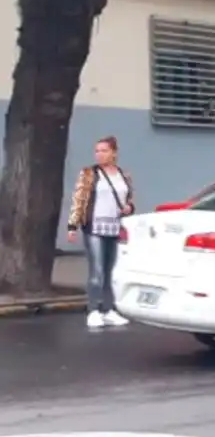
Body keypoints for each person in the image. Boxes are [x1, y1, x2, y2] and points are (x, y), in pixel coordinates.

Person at [66, 136, 135, 329]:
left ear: (114, 152)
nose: (99, 154)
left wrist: (129, 207)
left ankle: (109, 309)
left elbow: (128, 198)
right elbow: (79, 199)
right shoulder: (89, 174)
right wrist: (72, 226)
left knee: (109, 270)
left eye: (104, 150)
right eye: (97, 151)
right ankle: (93, 310)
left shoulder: (123, 174)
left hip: (114, 227)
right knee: (96, 271)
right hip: (94, 227)